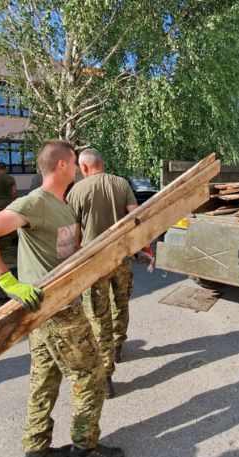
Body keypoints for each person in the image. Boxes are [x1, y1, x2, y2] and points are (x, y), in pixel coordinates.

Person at [0, 140, 124, 457]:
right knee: (90, 375)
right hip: (53, 308)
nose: (79, 167)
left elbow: (66, 251)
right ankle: (84, 451)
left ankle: (36, 453)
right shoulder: (35, 202)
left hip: (53, 308)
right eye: (74, 162)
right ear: (64, 165)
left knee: (45, 378)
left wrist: (94, 254)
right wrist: (9, 284)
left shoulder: (63, 205)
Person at [66, 148, 141, 398]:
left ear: (84, 168)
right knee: (121, 302)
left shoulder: (76, 190)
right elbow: (135, 215)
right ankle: (119, 344)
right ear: (103, 163)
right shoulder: (121, 183)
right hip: (120, 256)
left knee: (98, 315)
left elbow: (71, 231)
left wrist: (68, 261)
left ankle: (106, 375)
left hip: (92, 262)